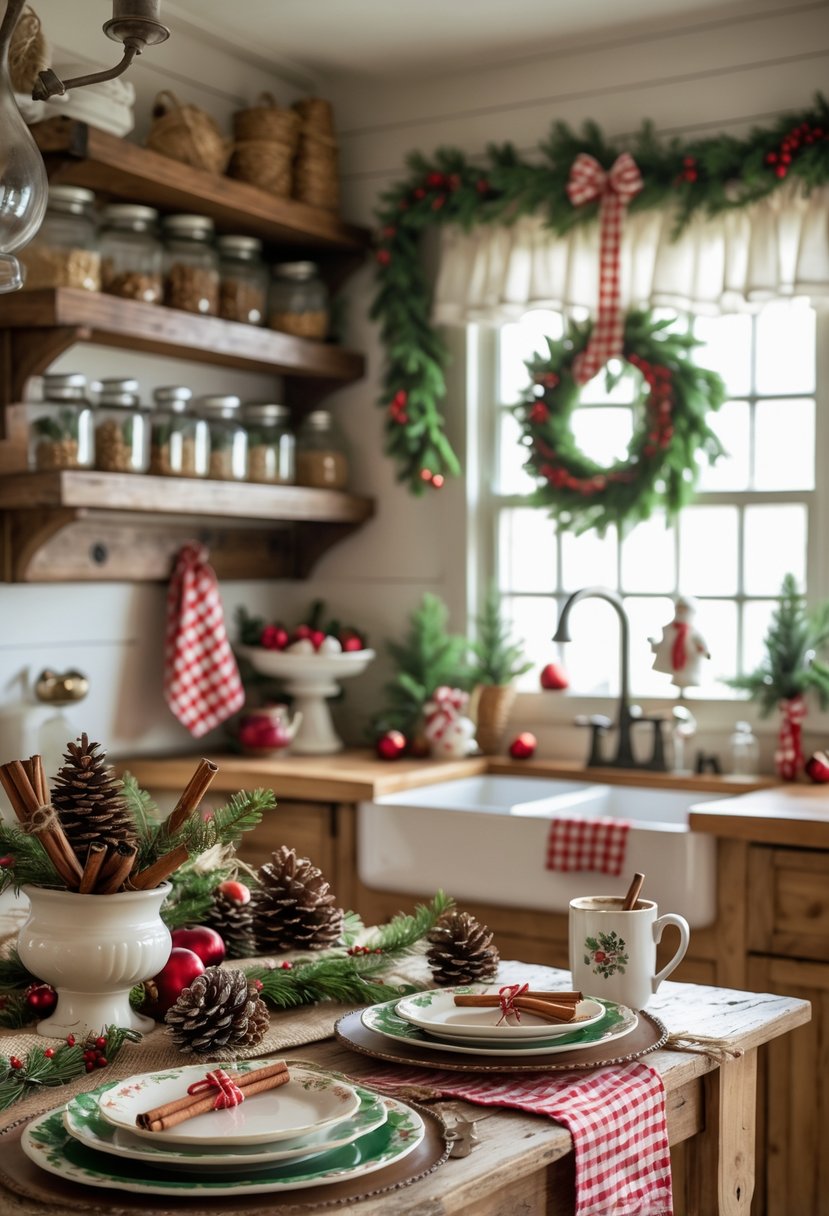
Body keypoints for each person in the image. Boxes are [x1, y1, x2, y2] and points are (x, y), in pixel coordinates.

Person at [650, 595, 710, 689]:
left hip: (690, 664)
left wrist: (705, 652)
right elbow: (664, 646)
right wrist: (654, 645)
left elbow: (701, 645)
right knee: (679, 679)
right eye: (679, 608)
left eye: (684, 609)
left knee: (688, 678)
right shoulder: (669, 630)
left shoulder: (694, 632)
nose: (680, 611)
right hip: (676, 669)